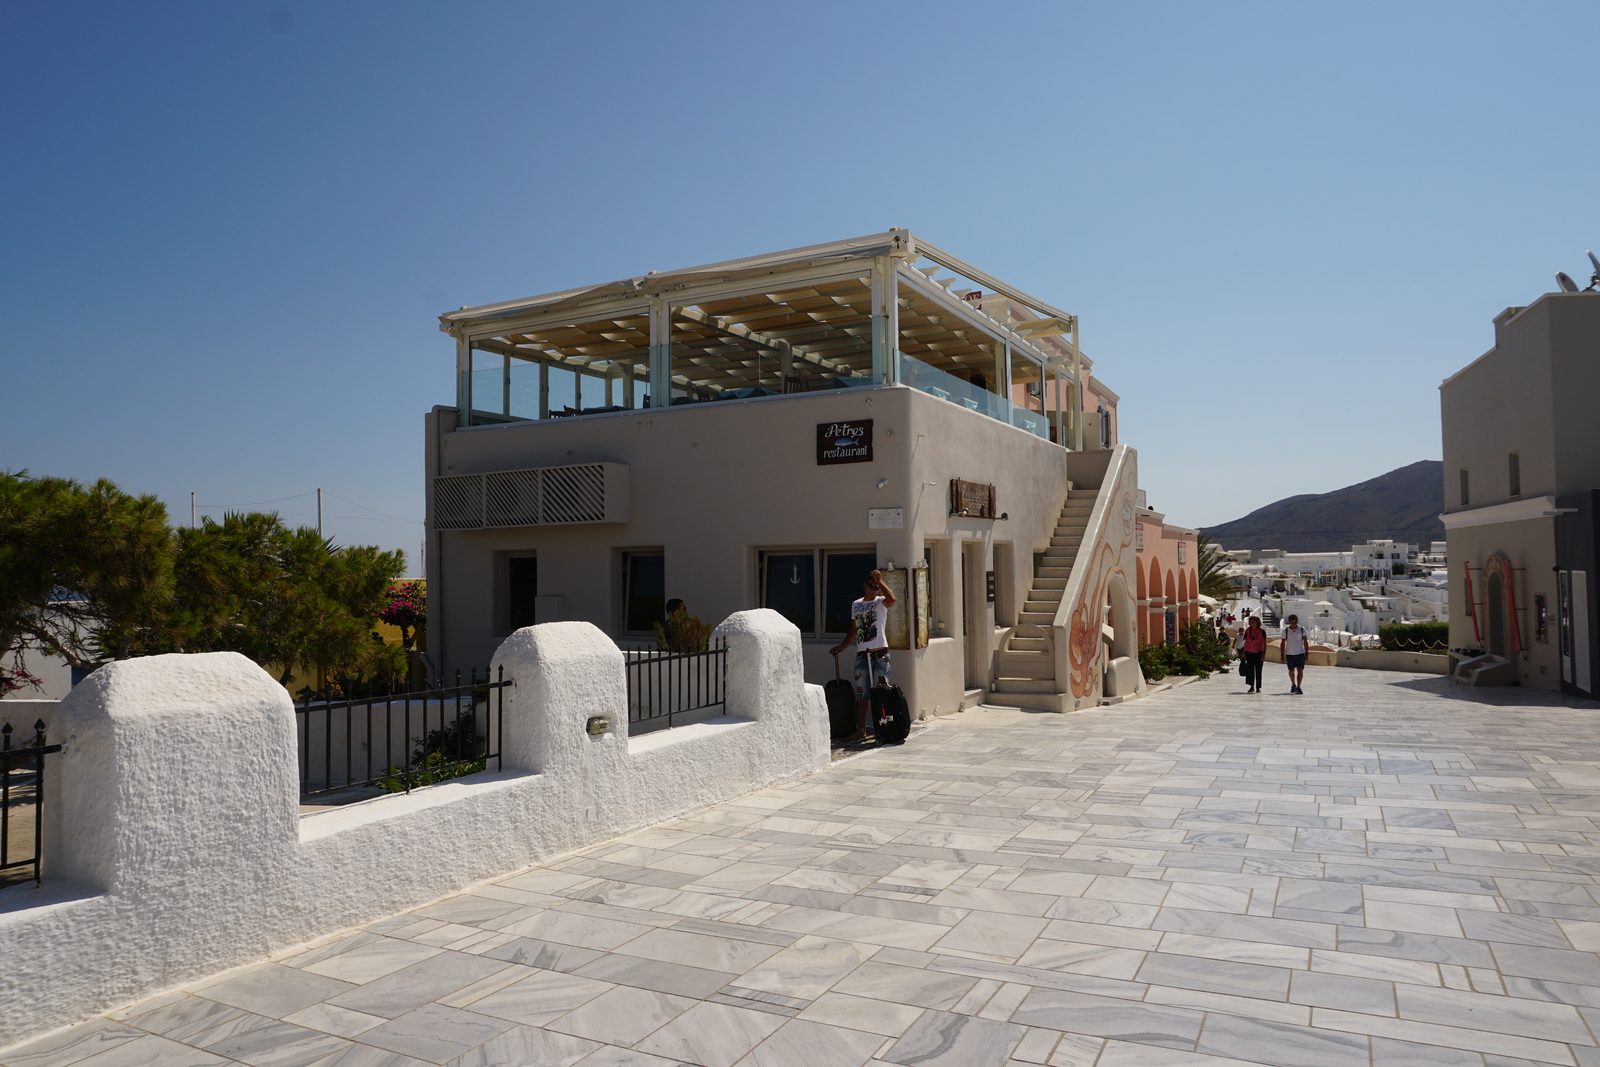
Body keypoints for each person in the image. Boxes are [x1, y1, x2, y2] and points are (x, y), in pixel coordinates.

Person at [829, 570, 897, 741]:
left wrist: (880, 581)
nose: (872, 590)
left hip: (880, 654)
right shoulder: (856, 604)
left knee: (882, 692)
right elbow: (854, 628)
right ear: (864, 585)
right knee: (862, 693)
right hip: (862, 655)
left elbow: (893, 600)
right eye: (870, 586)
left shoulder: (881, 602)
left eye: (875, 587)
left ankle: (884, 727)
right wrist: (843, 646)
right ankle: (861, 729)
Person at [1282, 613, 1309, 694]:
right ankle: (1293, 684)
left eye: (1294, 623)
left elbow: (1305, 642)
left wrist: (1307, 653)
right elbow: (1282, 643)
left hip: (1300, 653)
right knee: (1291, 670)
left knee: (1300, 670)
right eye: (1291, 623)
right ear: (1289, 622)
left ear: (1297, 622)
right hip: (1289, 653)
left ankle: (1299, 686)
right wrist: (1282, 654)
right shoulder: (1285, 631)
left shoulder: (1302, 629)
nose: (1293, 624)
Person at [1240, 616, 1266, 693]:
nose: (1252, 624)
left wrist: (1264, 653)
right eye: (1251, 623)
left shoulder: (1262, 631)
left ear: (1257, 622)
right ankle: (1251, 686)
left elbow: (1264, 643)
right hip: (1249, 652)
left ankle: (1258, 687)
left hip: (1259, 652)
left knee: (1258, 670)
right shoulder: (1248, 631)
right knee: (1250, 670)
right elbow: (1246, 642)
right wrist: (1244, 652)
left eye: (1254, 622)